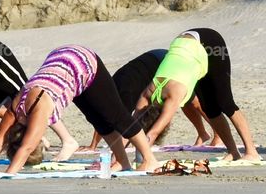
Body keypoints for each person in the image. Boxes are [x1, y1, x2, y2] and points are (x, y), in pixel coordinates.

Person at [0, 45, 160, 175]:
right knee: (98, 120)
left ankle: (150, 160)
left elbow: (26, 148)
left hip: (82, 62)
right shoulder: (14, 110)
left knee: (117, 116)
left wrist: (9, 174)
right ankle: (124, 164)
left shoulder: (38, 107)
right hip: (61, 63)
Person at [142, 29, 259, 162]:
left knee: (225, 102)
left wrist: (144, 158)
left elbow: (153, 132)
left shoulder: (171, 94)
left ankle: (251, 151)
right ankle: (233, 152)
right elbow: (134, 124)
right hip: (188, 50)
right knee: (209, 107)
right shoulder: (148, 94)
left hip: (209, 43)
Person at [87, 49, 222, 149]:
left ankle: (218, 135)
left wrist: (112, 149)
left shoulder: (123, 96)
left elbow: (126, 125)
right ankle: (203, 133)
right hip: (151, 59)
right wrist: (93, 145)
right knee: (184, 101)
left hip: (164, 62)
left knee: (192, 100)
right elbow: (103, 118)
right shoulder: (111, 91)